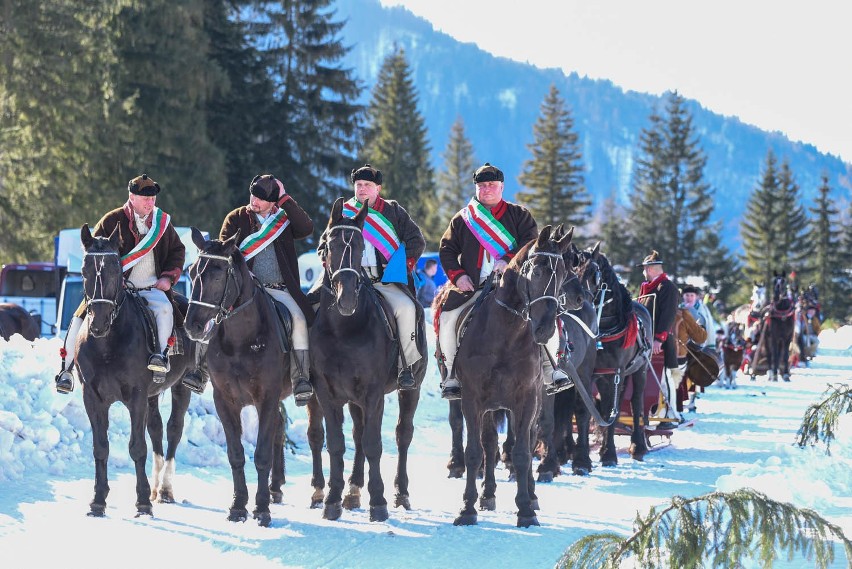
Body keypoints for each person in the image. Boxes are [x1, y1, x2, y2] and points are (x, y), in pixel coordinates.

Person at [436, 162, 574, 400]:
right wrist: (459, 277)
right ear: (476, 189)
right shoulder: (462, 219)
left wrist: (509, 261)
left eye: (491, 185)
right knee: (448, 319)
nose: (487, 189)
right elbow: (447, 249)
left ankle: (551, 370)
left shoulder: (520, 216)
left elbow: (532, 245)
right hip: (474, 287)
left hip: (515, 289)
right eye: (482, 185)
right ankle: (451, 376)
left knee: (546, 317)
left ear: (501, 187)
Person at [55, 174, 186, 393]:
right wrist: (112, 281)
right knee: (78, 319)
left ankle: (161, 357)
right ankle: (66, 370)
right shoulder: (111, 219)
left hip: (151, 286)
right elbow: (93, 252)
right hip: (114, 290)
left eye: (153, 198)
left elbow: (177, 251)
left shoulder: (162, 223)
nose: (150, 202)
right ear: (132, 197)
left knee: (165, 310)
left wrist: (167, 278)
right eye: (145, 198)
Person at [191, 174, 315, 404]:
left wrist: (286, 198)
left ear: (272, 202)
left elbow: (306, 228)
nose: (254, 201)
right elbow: (221, 254)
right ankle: (200, 371)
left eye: (260, 199)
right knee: (215, 316)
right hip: (242, 289)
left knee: (298, 319)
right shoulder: (236, 217)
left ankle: (301, 379)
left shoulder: (284, 219)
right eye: (253, 196)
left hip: (278, 288)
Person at [318, 164, 425, 390]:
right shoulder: (344, 211)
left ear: (378, 188)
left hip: (382, 280)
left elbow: (416, 240)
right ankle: (312, 368)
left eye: (367, 185)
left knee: (407, 309)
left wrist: (400, 265)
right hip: (349, 282)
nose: (362, 189)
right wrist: (326, 259)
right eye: (359, 185)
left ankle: (405, 365)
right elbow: (323, 244)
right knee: (313, 306)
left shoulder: (394, 211)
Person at [636, 250, 681, 423]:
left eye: (644, 269)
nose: (643, 272)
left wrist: (659, 339)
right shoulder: (647, 287)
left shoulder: (667, 287)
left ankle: (672, 412)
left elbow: (668, 315)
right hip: (644, 339)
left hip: (660, 341)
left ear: (651, 269)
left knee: (665, 378)